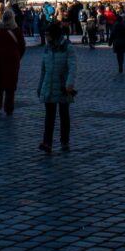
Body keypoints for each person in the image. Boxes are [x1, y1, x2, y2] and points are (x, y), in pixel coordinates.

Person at [37, 22, 77, 153]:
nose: (46, 37)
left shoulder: (67, 47)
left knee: (64, 115)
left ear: (54, 35)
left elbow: (72, 67)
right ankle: (47, 142)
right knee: (49, 116)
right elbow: (43, 69)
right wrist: (40, 85)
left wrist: (69, 84)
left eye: (48, 35)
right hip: (49, 85)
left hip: (63, 86)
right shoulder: (47, 48)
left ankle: (64, 141)